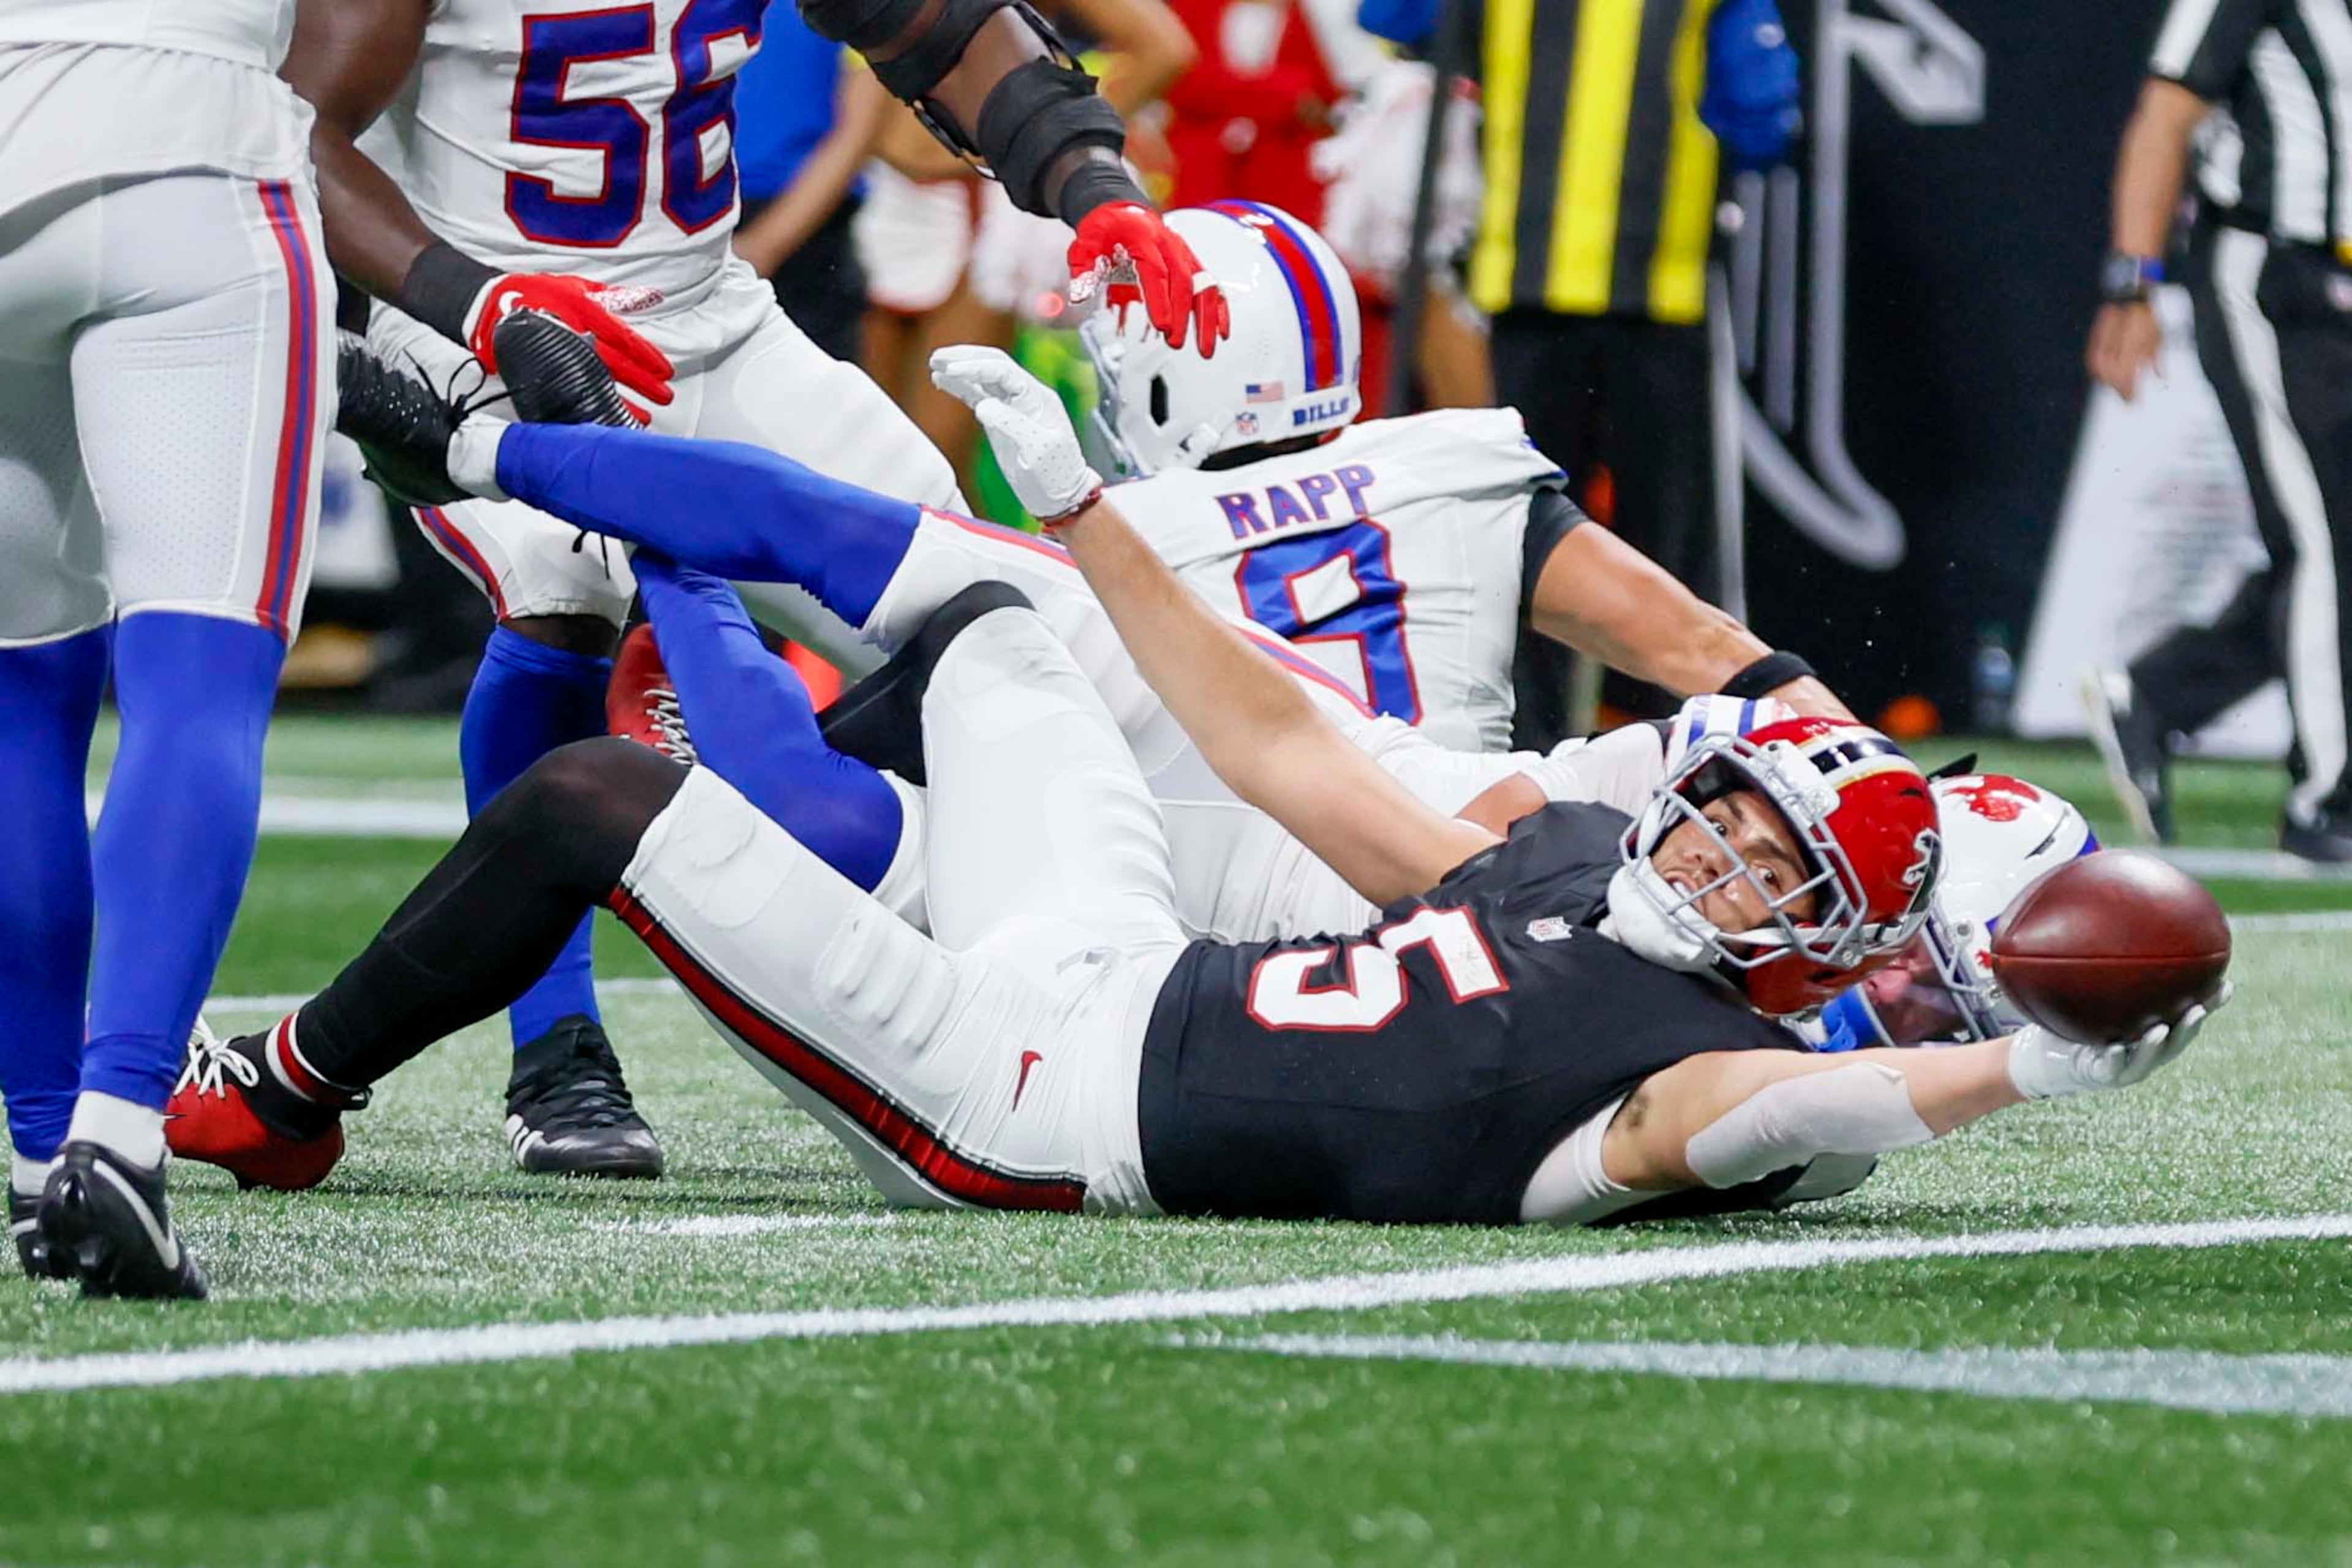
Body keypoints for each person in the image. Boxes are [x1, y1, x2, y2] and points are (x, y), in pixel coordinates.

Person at [172, 338, 2222, 1229]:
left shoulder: (1696, 1091)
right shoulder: (1579, 857)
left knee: (600, 800)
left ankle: (285, 1098)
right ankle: (594, 514)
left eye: (1776, 869)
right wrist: (1082, 516)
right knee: (992, 632)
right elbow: (1270, 742)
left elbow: (1810, 1104)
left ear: (1833, 960)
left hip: (1022, 1099)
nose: (1718, 847)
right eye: (1736, 813)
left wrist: (2024, 1071)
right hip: (1121, 948)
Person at [282, 0, 1232, 1177]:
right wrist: (485, 303)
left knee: (974, 598)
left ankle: (1126, 957)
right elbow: (298, 132)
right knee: (561, 587)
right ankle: (556, 1050)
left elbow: (938, 29)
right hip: (480, 322)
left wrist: (1095, 183)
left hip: (712, 321)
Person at [0, 0, 331, 1298]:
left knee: (21, 689)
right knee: (197, 680)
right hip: (199, 152)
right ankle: (119, 1131)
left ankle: (42, 1162)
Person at [1080, 202, 1848, 758]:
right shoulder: (1451, 470)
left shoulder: (1123, 537)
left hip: (1242, 945)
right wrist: (1872, 782)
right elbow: (1710, 650)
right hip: (1477, 909)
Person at [1454, 0, 1800, 737]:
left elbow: (1396, 23)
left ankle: (1535, 745)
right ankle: (1673, 746)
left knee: (1529, 538)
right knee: (1655, 549)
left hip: (1552, 284)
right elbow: (1763, 115)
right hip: (1640, 288)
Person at [2082, 0, 2352, 864]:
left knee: (2332, 544)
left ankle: (2159, 694)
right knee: (2325, 539)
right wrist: (2134, 283)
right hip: (2278, 274)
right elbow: (2165, 118)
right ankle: (2331, 799)